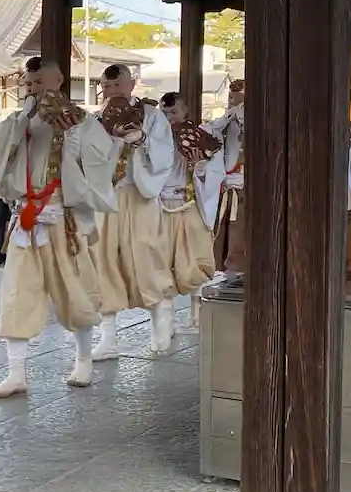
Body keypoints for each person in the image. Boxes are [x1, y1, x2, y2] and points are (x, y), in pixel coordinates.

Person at [0, 56, 117, 397]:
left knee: (75, 290)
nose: (34, 89)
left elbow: (102, 160)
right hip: (26, 219)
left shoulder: (81, 120)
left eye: (40, 82)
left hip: (62, 219)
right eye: (29, 84)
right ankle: (16, 373)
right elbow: (0, 157)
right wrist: (22, 123)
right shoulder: (17, 120)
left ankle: (84, 359)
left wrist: (74, 136)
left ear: (58, 80)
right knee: (17, 292)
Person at [92, 63, 177, 358]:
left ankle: (160, 321)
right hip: (107, 196)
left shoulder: (151, 115)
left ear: (131, 85)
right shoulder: (94, 118)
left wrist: (142, 139)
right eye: (107, 86)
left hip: (140, 193)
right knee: (103, 260)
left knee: (145, 255)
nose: (112, 91)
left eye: (118, 85)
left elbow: (166, 153)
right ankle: (108, 337)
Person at [158, 92, 226, 331]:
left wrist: (200, 165)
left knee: (196, 258)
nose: (170, 118)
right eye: (165, 114)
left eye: (174, 112)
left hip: (189, 202)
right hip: (161, 206)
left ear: (185, 111)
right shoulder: (154, 139)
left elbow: (217, 171)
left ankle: (197, 313)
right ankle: (166, 319)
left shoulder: (200, 137)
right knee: (162, 261)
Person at [208, 79, 245, 278]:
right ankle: (219, 271)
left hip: (243, 184)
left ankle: (237, 271)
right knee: (221, 230)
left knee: (239, 231)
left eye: (238, 99)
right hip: (224, 184)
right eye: (230, 98)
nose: (233, 103)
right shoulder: (224, 122)